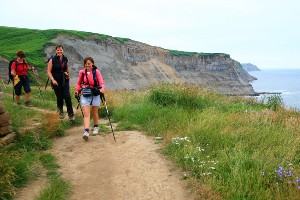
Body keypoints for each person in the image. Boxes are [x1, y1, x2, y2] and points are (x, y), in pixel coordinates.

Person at [75, 57, 105, 140]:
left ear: (92, 64)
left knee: (95, 112)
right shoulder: (82, 72)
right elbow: (78, 83)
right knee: (86, 113)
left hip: (95, 93)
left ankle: (96, 127)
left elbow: (101, 82)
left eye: (89, 63)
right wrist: (77, 91)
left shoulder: (96, 72)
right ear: (84, 64)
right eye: (86, 63)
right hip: (85, 93)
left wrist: (102, 88)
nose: (87, 65)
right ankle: (86, 131)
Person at [47, 45, 75, 121]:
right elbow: (49, 72)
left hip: (64, 80)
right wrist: (52, 80)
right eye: (58, 50)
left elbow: (67, 69)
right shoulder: (52, 60)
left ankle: (71, 114)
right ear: (56, 51)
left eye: (61, 50)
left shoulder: (66, 59)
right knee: (59, 97)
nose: (59, 51)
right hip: (56, 80)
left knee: (67, 96)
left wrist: (68, 77)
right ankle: (60, 113)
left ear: (63, 51)